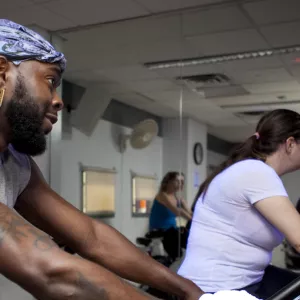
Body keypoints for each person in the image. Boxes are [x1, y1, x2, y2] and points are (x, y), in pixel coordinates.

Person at [0, 19, 204, 300]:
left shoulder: (14, 163)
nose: (59, 100)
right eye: (50, 80)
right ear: (2, 74)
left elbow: (92, 237)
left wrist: (194, 293)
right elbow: (52, 274)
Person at [178, 109, 300, 299]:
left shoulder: (252, 169)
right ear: (290, 144)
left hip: (247, 278)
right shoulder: (256, 172)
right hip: (213, 287)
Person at [149, 172, 192, 260]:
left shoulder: (178, 198)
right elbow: (177, 211)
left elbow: (190, 212)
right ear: (169, 182)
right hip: (162, 230)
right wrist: (193, 220)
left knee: (191, 240)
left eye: (182, 181)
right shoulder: (162, 195)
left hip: (172, 229)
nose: (181, 184)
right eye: (178, 181)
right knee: (177, 253)